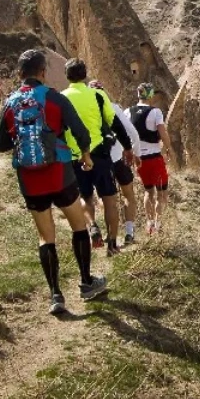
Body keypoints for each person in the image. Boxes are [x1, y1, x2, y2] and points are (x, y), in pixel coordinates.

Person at [0, 49, 107, 315]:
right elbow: (80, 132)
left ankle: (56, 295)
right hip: (60, 174)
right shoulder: (54, 98)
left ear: (20, 74)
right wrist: (86, 157)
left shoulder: (10, 103)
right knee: (79, 226)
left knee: (46, 237)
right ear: (43, 72)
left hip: (30, 180)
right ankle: (87, 282)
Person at [61, 60, 134, 256]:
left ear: (66, 76)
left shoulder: (62, 98)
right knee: (109, 199)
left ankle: (92, 225)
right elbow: (115, 123)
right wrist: (127, 147)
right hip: (100, 154)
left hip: (75, 157)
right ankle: (112, 245)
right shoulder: (98, 95)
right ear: (85, 75)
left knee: (85, 197)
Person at [89, 80, 141, 245]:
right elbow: (133, 133)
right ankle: (129, 233)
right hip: (119, 158)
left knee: (106, 198)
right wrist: (135, 153)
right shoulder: (114, 108)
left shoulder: (86, 110)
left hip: (98, 160)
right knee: (128, 195)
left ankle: (109, 235)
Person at [128, 83, 173, 235]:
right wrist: (168, 148)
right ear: (150, 95)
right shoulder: (155, 112)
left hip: (139, 159)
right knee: (162, 193)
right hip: (154, 157)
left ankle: (149, 224)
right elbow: (162, 131)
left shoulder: (128, 111)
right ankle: (158, 224)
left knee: (148, 191)